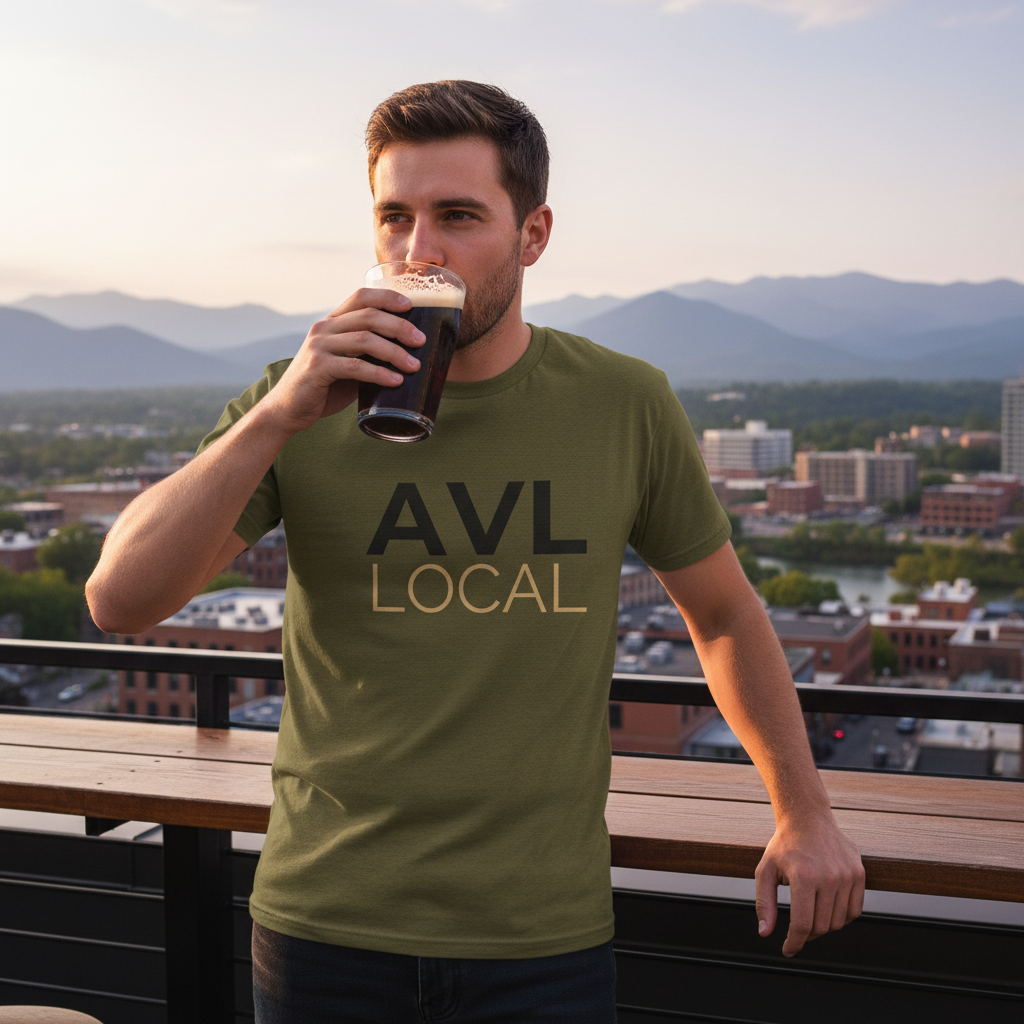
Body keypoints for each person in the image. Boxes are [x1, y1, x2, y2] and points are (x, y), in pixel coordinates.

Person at [86, 80, 864, 1023]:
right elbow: (118, 602)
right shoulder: (294, 400)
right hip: (326, 922)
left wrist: (803, 811)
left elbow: (726, 614)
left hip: (541, 934)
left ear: (532, 235)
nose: (421, 252)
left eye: (457, 216)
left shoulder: (623, 401)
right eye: (395, 218)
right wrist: (277, 416)